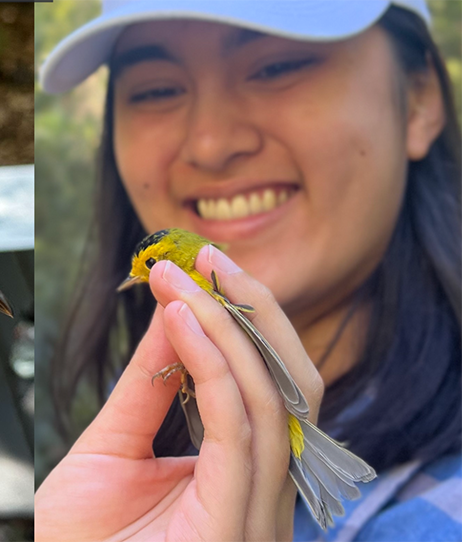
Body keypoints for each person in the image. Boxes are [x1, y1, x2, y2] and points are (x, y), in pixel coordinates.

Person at [36, 1, 462, 541]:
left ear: (420, 99)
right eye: (156, 89)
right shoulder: (127, 466)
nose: (210, 145)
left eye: (278, 66)